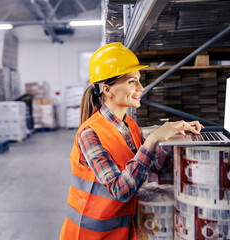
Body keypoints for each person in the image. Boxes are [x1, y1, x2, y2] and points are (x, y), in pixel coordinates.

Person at [60, 42, 203, 240]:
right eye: (131, 82)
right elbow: (120, 189)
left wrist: (173, 138)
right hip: (91, 233)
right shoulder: (90, 133)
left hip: (121, 229)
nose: (141, 88)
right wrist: (153, 139)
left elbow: (158, 166)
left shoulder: (129, 126)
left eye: (139, 80)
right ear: (108, 90)